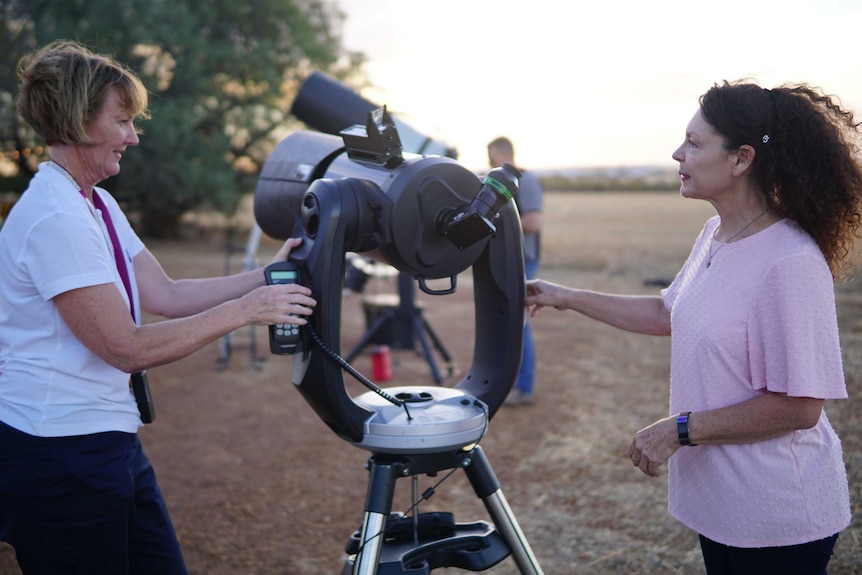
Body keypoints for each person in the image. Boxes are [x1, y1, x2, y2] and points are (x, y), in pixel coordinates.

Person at [0, 40, 317, 574]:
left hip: (109, 440)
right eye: (121, 121)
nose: (133, 136)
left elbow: (164, 294)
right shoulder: (55, 217)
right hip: (57, 453)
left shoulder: (96, 203)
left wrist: (262, 277)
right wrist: (248, 311)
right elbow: (125, 347)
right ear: (79, 123)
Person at [526, 80, 861, 574]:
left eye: (695, 143)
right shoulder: (716, 234)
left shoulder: (789, 261)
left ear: (741, 159)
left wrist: (680, 430)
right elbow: (668, 313)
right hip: (724, 506)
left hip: (777, 517)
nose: (678, 153)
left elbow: (800, 406)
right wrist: (566, 297)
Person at [487, 136, 544, 406]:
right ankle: (506, 383)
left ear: (502, 153)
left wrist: (492, 219)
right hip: (505, 259)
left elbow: (533, 222)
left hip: (523, 259)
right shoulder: (495, 182)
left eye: (491, 156)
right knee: (506, 323)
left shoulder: (526, 181)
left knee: (518, 324)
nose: (489, 162)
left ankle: (524, 387)